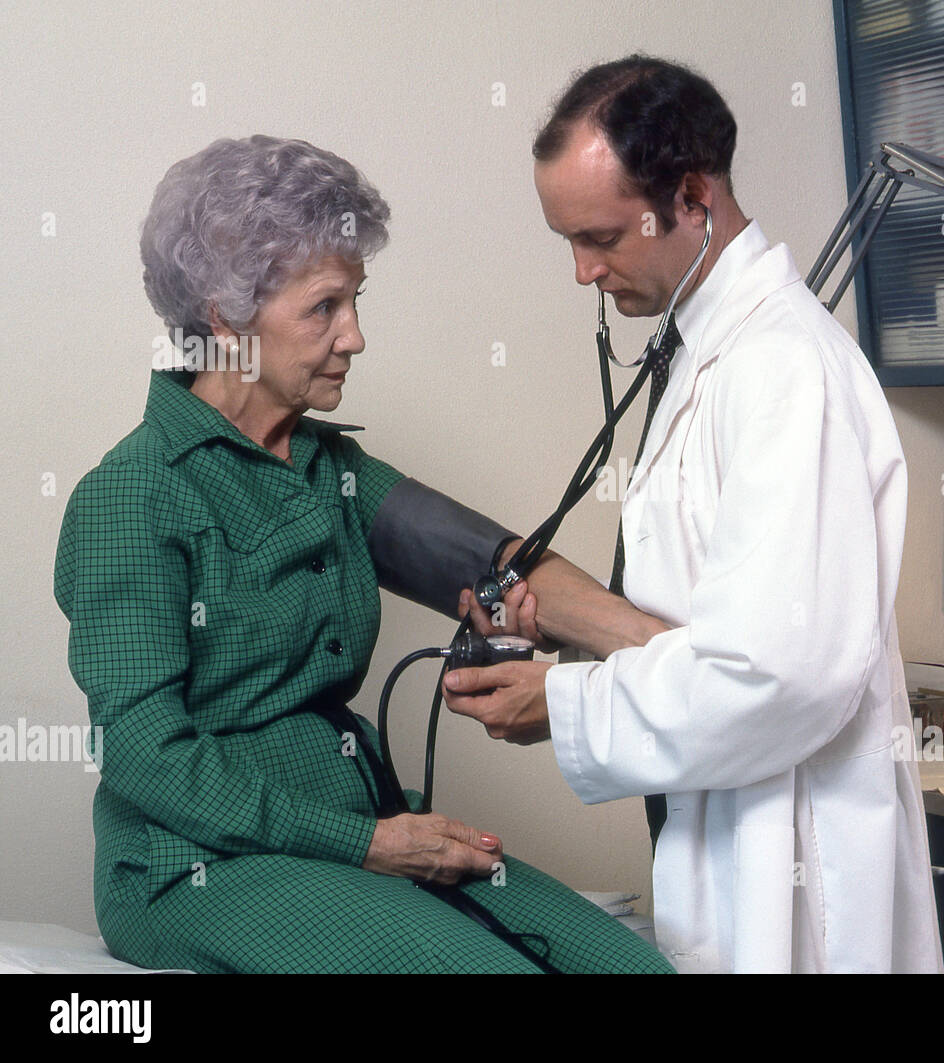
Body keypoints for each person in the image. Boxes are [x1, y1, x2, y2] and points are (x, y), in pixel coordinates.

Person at [52, 134, 673, 974]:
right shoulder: (133, 495)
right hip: (197, 865)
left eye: (356, 300)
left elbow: (490, 557)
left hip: (360, 824)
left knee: (634, 968)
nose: (355, 337)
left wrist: (657, 650)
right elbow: (143, 755)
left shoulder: (328, 468)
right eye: (324, 307)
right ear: (226, 318)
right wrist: (370, 843)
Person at [444, 56, 944, 973]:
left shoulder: (785, 370)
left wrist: (563, 702)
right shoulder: (711, 353)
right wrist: (575, 624)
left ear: (691, 196)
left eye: (599, 237)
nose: (583, 271)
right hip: (730, 845)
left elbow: (775, 676)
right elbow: (708, 624)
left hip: (800, 874)